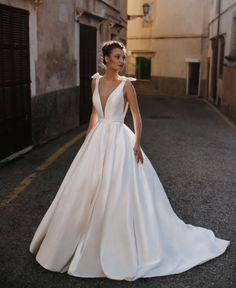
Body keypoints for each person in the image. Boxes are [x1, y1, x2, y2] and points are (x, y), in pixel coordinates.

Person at [29, 40, 230, 281]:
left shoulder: (127, 86)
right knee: (85, 189)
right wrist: (87, 140)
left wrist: (136, 145)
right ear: (106, 59)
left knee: (117, 190)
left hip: (120, 140)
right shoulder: (95, 81)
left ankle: (115, 245)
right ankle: (74, 241)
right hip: (97, 139)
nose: (122, 62)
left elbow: (137, 117)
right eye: (117, 57)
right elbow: (94, 113)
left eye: (123, 57)